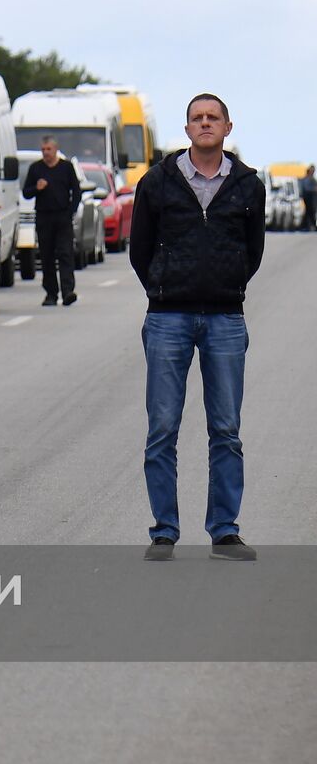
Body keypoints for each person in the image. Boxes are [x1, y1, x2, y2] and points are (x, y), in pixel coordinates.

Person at [129, 93, 265, 563]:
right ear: (186, 129)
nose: (204, 124)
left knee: (226, 429)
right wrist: (166, 287)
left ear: (228, 127)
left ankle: (225, 531)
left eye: (213, 118)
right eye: (196, 118)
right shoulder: (158, 182)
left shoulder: (248, 185)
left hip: (226, 318)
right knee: (163, 428)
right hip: (167, 318)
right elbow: (139, 250)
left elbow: (253, 251)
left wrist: (224, 284)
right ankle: (164, 531)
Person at [20, 136, 80, 306]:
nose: (46, 153)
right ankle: (51, 293)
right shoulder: (36, 169)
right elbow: (26, 192)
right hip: (44, 217)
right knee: (47, 256)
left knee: (65, 254)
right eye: (43, 150)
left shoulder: (66, 167)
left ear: (55, 150)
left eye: (49, 149)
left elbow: (76, 191)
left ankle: (68, 291)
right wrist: (36, 188)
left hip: (62, 217)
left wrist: (71, 211)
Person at [300, 165, 316, 232]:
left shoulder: (312, 179)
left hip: (312, 199)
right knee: (309, 212)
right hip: (308, 199)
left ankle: (310, 225)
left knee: (311, 212)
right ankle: (308, 226)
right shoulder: (306, 179)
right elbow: (306, 189)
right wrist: (314, 189)